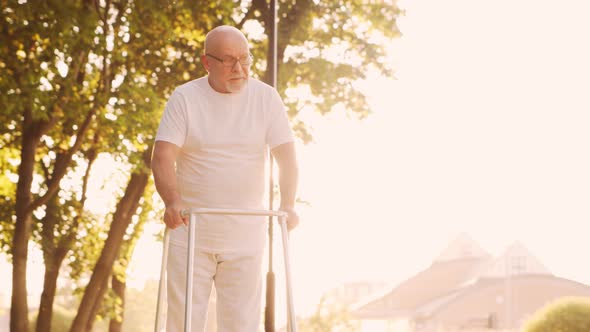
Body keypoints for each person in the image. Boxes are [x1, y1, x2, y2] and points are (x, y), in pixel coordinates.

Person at [151, 25, 299, 332]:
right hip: (191, 232)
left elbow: (286, 156)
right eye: (229, 60)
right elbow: (163, 156)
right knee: (183, 324)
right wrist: (172, 201)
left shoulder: (266, 98)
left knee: (242, 326)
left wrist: (288, 204)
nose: (239, 68)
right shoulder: (185, 98)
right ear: (207, 62)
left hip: (245, 234)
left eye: (244, 59)